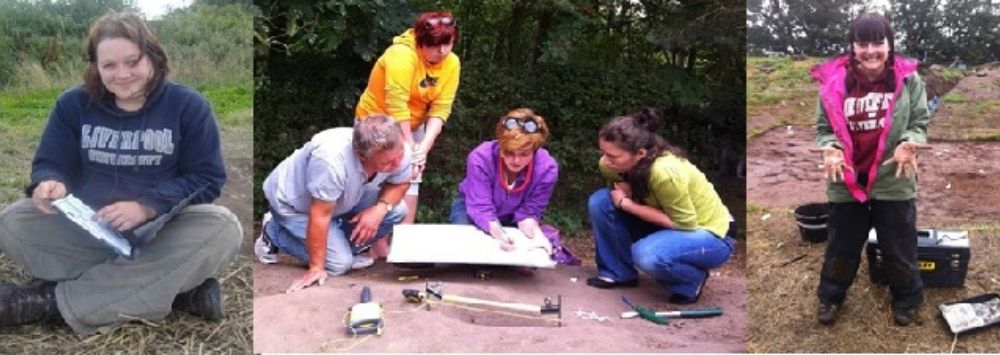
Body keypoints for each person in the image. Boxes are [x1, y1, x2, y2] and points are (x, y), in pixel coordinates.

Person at [0, 11, 241, 335]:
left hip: (158, 234)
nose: (122, 74)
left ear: (153, 58)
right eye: (109, 65)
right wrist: (50, 182)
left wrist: (146, 206)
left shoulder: (189, 106)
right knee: (14, 220)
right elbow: (52, 161)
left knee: (223, 227)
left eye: (133, 61)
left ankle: (47, 304)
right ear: (95, 67)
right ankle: (180, 292)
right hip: (90, 230)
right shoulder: (73, 105)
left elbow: (207, 178)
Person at [811, 12, 930, 326]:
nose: (871, 50)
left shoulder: (909, 81)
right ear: (853, 46)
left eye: (878, 42)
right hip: (846, 180)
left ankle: (907, 298)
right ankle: (831, 297)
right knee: (841, 247)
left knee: (899, 245)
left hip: (894, 178)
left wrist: (909, 141)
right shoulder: (832, 83)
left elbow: (919, 122)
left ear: (890, 45)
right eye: (862, 43)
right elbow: (823, 129)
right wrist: (831, 148)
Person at [586, 108, 735, 304]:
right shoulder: (609, 165)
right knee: (601, 201)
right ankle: (618, 273)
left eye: (613, 156)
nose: (605, 160)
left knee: (647, 254)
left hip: (711, 235)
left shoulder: (666, 172)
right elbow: (618, 192)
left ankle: (690, 281)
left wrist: (627, 204)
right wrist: (625, 192)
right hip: (669, 224)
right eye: (603, 152)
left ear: (639, 153)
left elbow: (685, 224)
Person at [255, 115, 410, 293]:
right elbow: (320, 214)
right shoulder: (330, 160)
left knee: (396, 210)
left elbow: (401, 182)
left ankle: (341, 247)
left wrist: (380, 209)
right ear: (361, 156)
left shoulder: (398, 148)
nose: (397, 164)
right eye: (387, 162)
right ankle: (274, 231)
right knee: (338, 265)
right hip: (294, 205)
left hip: (343, 197)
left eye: (400, 156)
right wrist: (316, 267)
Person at [355, 11, 461, 256]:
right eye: (435, 46)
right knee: (379, 175)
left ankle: (404, 247)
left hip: (414, 124)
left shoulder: (452, 62)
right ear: (420, 42)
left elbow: (441, 107)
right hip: (377, 122)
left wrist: (422, 148)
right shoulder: (401, 54)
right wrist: (408, 146)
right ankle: (376, 245)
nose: (443, 51)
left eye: (448, 43)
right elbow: (396, 103)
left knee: (413, 173)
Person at [449, 109, 577, 264]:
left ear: (535, 150)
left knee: (525, 261)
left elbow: (529, 213)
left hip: (514, 216)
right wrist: (500, 235)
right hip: (472, 210)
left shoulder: (547, 168)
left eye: (524, 154)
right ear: (500, 145)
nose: (516, 161)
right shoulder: (480, 157)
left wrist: (537, 236)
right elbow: (480, 207)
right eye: (509, 153)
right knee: (468, 256)